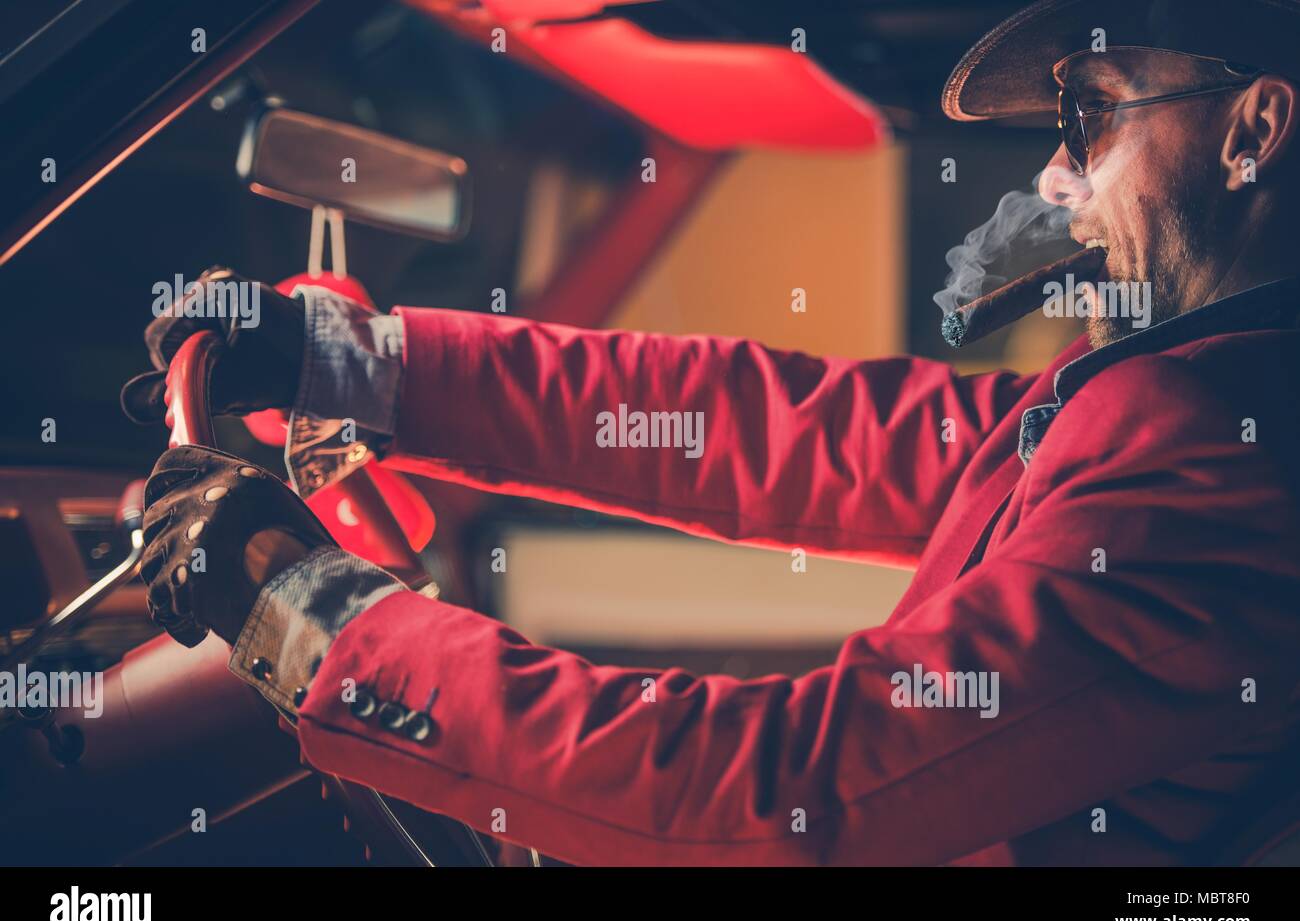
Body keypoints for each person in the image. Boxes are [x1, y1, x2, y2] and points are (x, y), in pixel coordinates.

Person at [122, 0, 1300, 865]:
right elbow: (775, 428)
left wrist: (311, 612)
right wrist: (351, 364)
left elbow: (774, 793)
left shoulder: (1217, 467)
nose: (1052, 178)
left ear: (1253, 130)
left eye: (1086, 113)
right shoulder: (1175, 401)